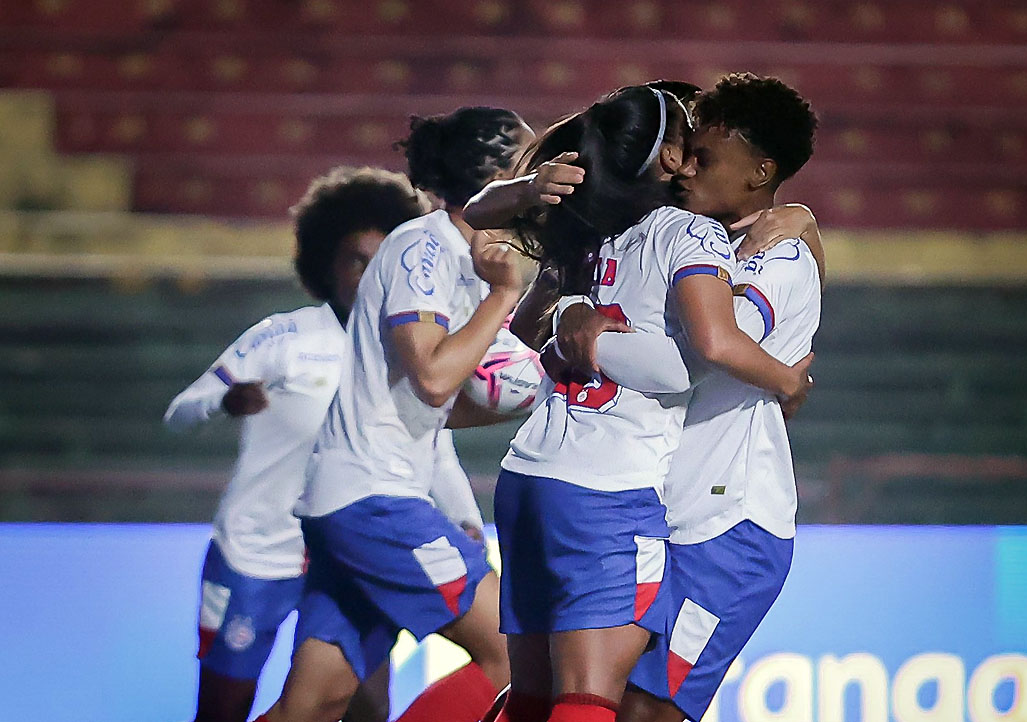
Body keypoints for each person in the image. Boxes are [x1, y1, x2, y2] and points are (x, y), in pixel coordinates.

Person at [486, 85, 813, 722]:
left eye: (704, 156)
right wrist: (571, 324)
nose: (687, 166)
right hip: (644, 505)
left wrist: (579, 334)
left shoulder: (775, 256)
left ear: (760, 173)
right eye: (684, 151)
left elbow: (700, 353)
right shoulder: (659, 237)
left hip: (724, 529)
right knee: (571, 697)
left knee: (630, 709)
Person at [256, 107, 534, 722]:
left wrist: (457, 508)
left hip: (366, 498)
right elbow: (433, 378)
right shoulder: (423, 249)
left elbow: (428, 409)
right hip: (374, 501)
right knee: (514, 655)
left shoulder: (466, 262)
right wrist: (505, 298)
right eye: (529, 160)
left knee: (315, 702)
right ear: (496, 176)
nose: (543, 176)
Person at [165, 167, 471, 722]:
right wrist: (223, 401)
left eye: (383, 260)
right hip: (259, 554)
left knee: (364, 706)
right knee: (221, 711)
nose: (370, 273)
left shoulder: (404, 350)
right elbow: (180, 411)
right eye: (357, 259)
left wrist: (463, 515)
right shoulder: (284, 337)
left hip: (352, 552)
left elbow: (431, 444)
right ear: (325, 264)